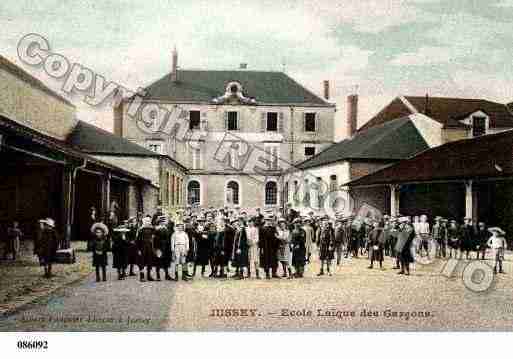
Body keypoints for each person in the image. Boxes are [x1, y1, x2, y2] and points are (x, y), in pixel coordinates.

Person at [137, 216, 155, 282]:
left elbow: (153, 238)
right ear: (144, 222)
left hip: (149, 248)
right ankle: (142, 276)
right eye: (146, 221)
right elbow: (138, 240)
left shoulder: (152, 229)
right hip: (142, 248)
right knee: (141, 262)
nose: (148, 222)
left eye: (149, 221)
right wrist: (138, 249)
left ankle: (149, 275)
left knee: (149, 261)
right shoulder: (141, 230)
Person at [154, 216, 173, 281]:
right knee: (158, 261)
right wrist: (156, 249)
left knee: (166, 261)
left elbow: (169, 237)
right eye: (161, 221)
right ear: (159, 222)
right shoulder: (156, 229)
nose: (162, 223)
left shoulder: (166, 229)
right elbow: (155, 240)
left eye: (163, 221)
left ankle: (167, 275)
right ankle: (158, 276)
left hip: (166, 247)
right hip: (159, 247)